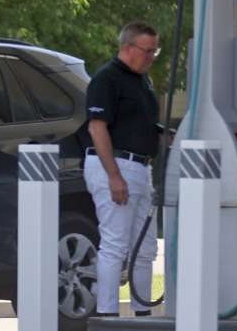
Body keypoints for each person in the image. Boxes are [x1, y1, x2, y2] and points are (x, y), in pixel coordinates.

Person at [82, 21, 163, 318]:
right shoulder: (107, 79)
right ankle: (107, 315)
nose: (152, 57)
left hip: (141, 166)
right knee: (115, 244)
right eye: (147, 51)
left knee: (145, 248)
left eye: (155, 51)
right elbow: (97, 126)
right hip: (115, 164)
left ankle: (143, 315)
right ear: (128, 48)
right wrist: (114, 176)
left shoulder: (142, 82)